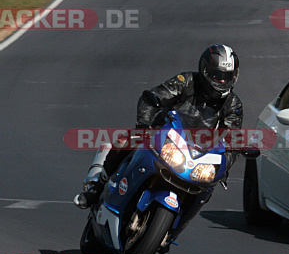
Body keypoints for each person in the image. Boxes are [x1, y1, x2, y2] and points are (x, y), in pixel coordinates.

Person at [74, 44, 244, 209]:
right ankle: (96, 188)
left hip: (198, 155)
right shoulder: (186, 81)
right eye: (217, 75)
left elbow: (232, 140)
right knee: (128, 139)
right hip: (164, 136)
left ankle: (172, 230)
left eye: (227, 77)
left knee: (207, 188)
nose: (222, 81)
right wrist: (144, 124)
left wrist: (223, 168)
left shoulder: (233, 105)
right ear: (205, 70)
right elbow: (153, 96)